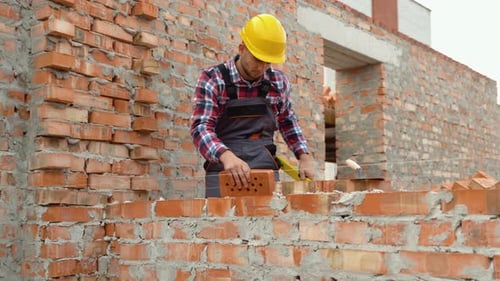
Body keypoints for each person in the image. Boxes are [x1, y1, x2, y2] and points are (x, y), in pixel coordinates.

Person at [190, 13, 314, 197]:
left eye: (268, 62)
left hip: (265, 170)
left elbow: (287, 121)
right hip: (224, 169)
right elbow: (201, 127)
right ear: (242, 48)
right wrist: (226, 156)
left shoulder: (277, 82)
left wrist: (304, 156)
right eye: (258, 59)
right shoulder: (213, 79)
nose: (262, 68)